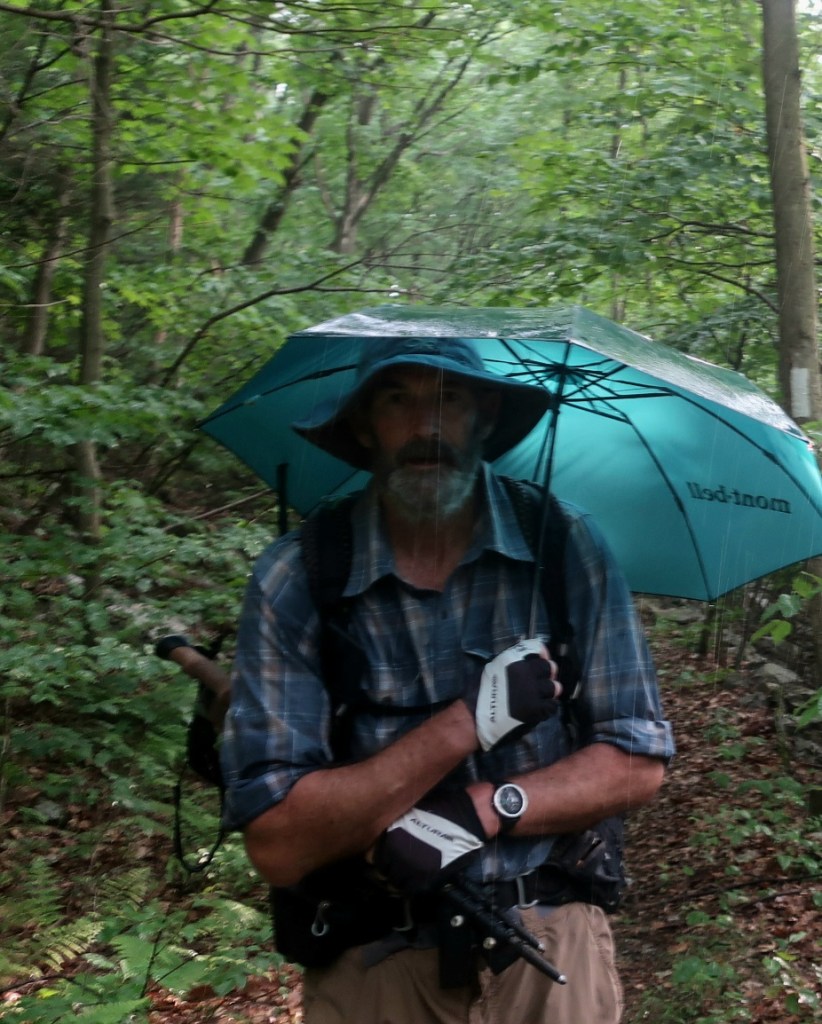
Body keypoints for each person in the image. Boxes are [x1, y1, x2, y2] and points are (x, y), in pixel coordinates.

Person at [221, 335, 675, 1024]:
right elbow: (279, 845)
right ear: (363, 425)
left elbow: (637, 762)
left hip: (549, 942)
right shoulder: (300, 577)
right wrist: (467, 722)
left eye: (450, 399)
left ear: (485, 416)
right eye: (396, 400)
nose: (425, 425)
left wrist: (488, 807)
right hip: (372, 955)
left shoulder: (563, 544)